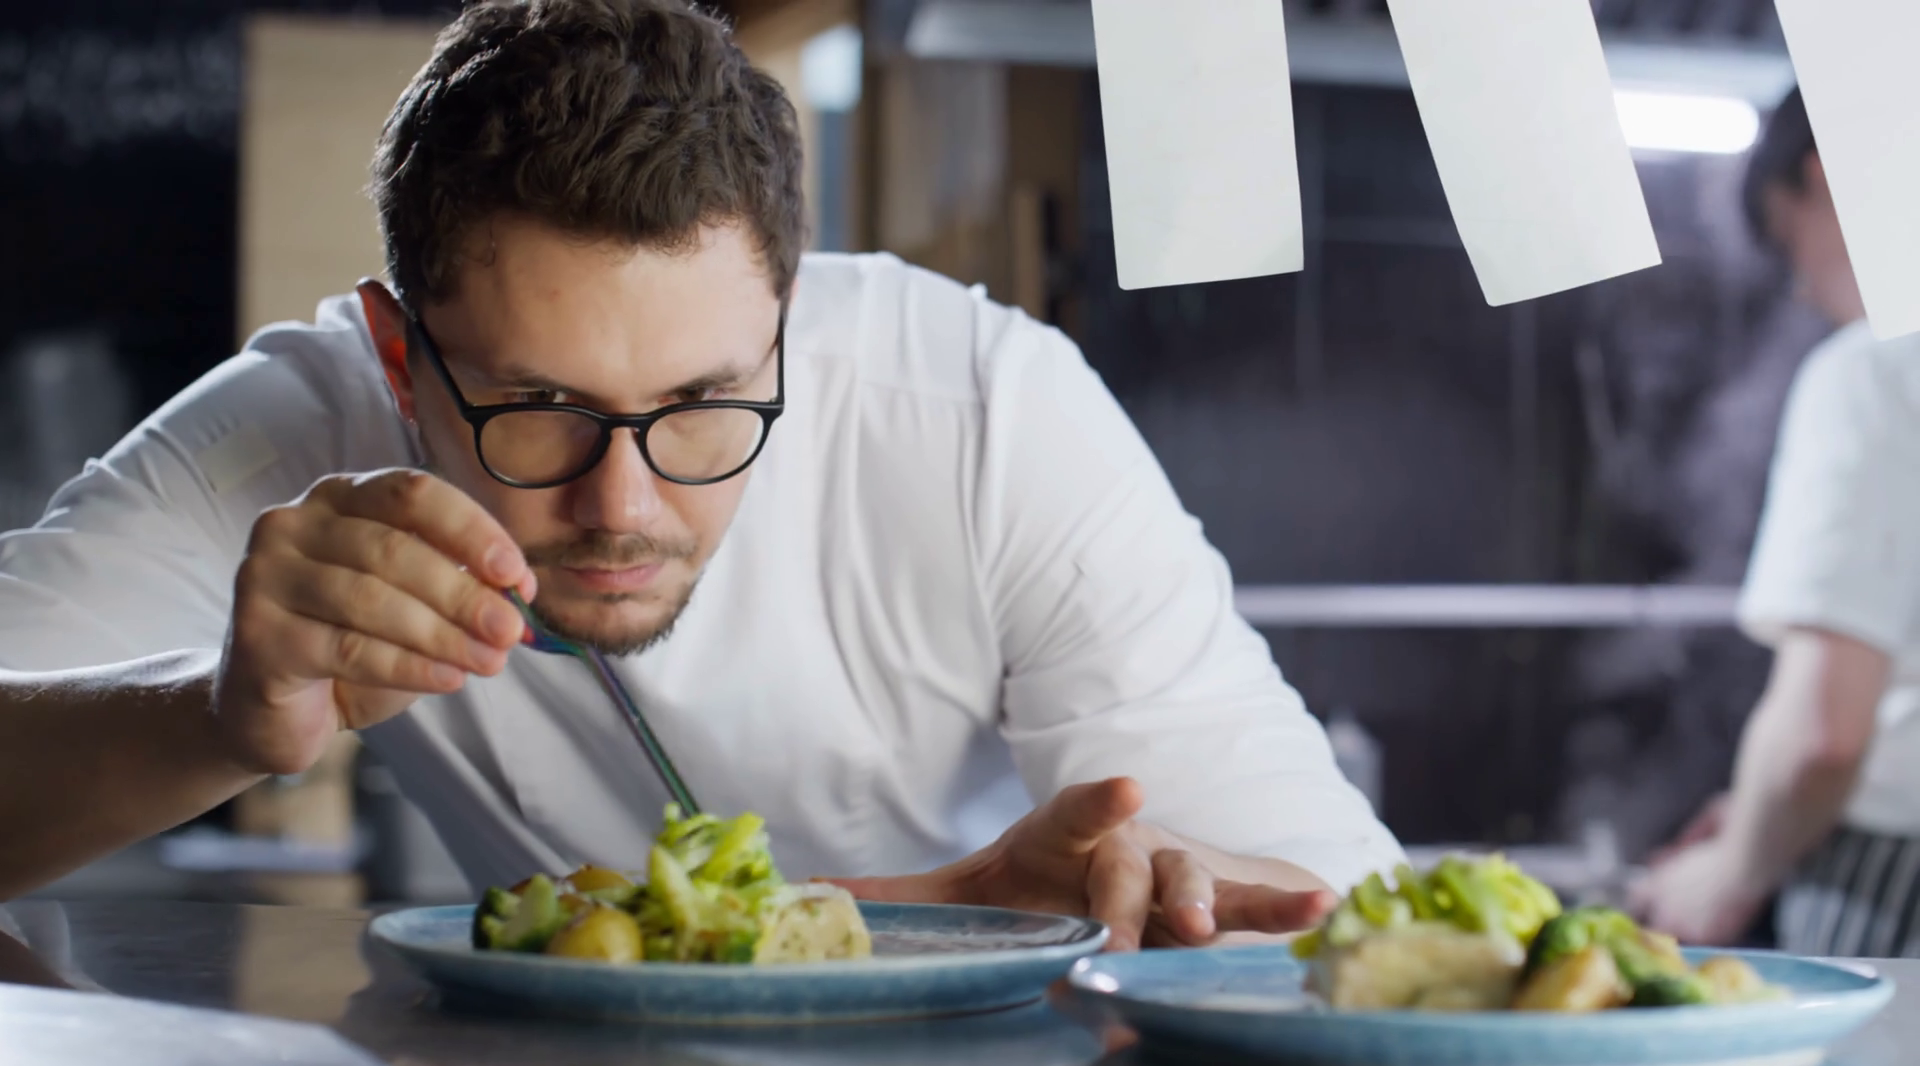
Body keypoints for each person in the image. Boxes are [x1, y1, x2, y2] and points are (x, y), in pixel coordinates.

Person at [0, 0, 1400, 950]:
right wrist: (221, 717)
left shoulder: (983, 408)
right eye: (537, 410)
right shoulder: (289, 437)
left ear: (787, 323)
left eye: (704, 403)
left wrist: (1131, 904)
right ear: (397, 354)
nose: (621, 509)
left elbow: (1349, 908)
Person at [1632, 87, 1920, 956]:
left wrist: (1733, 870)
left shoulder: (1873, 369)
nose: (1801, 286)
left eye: (1790, 239)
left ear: (1827, 180)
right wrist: (1766, 814)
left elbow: (1822, 739)